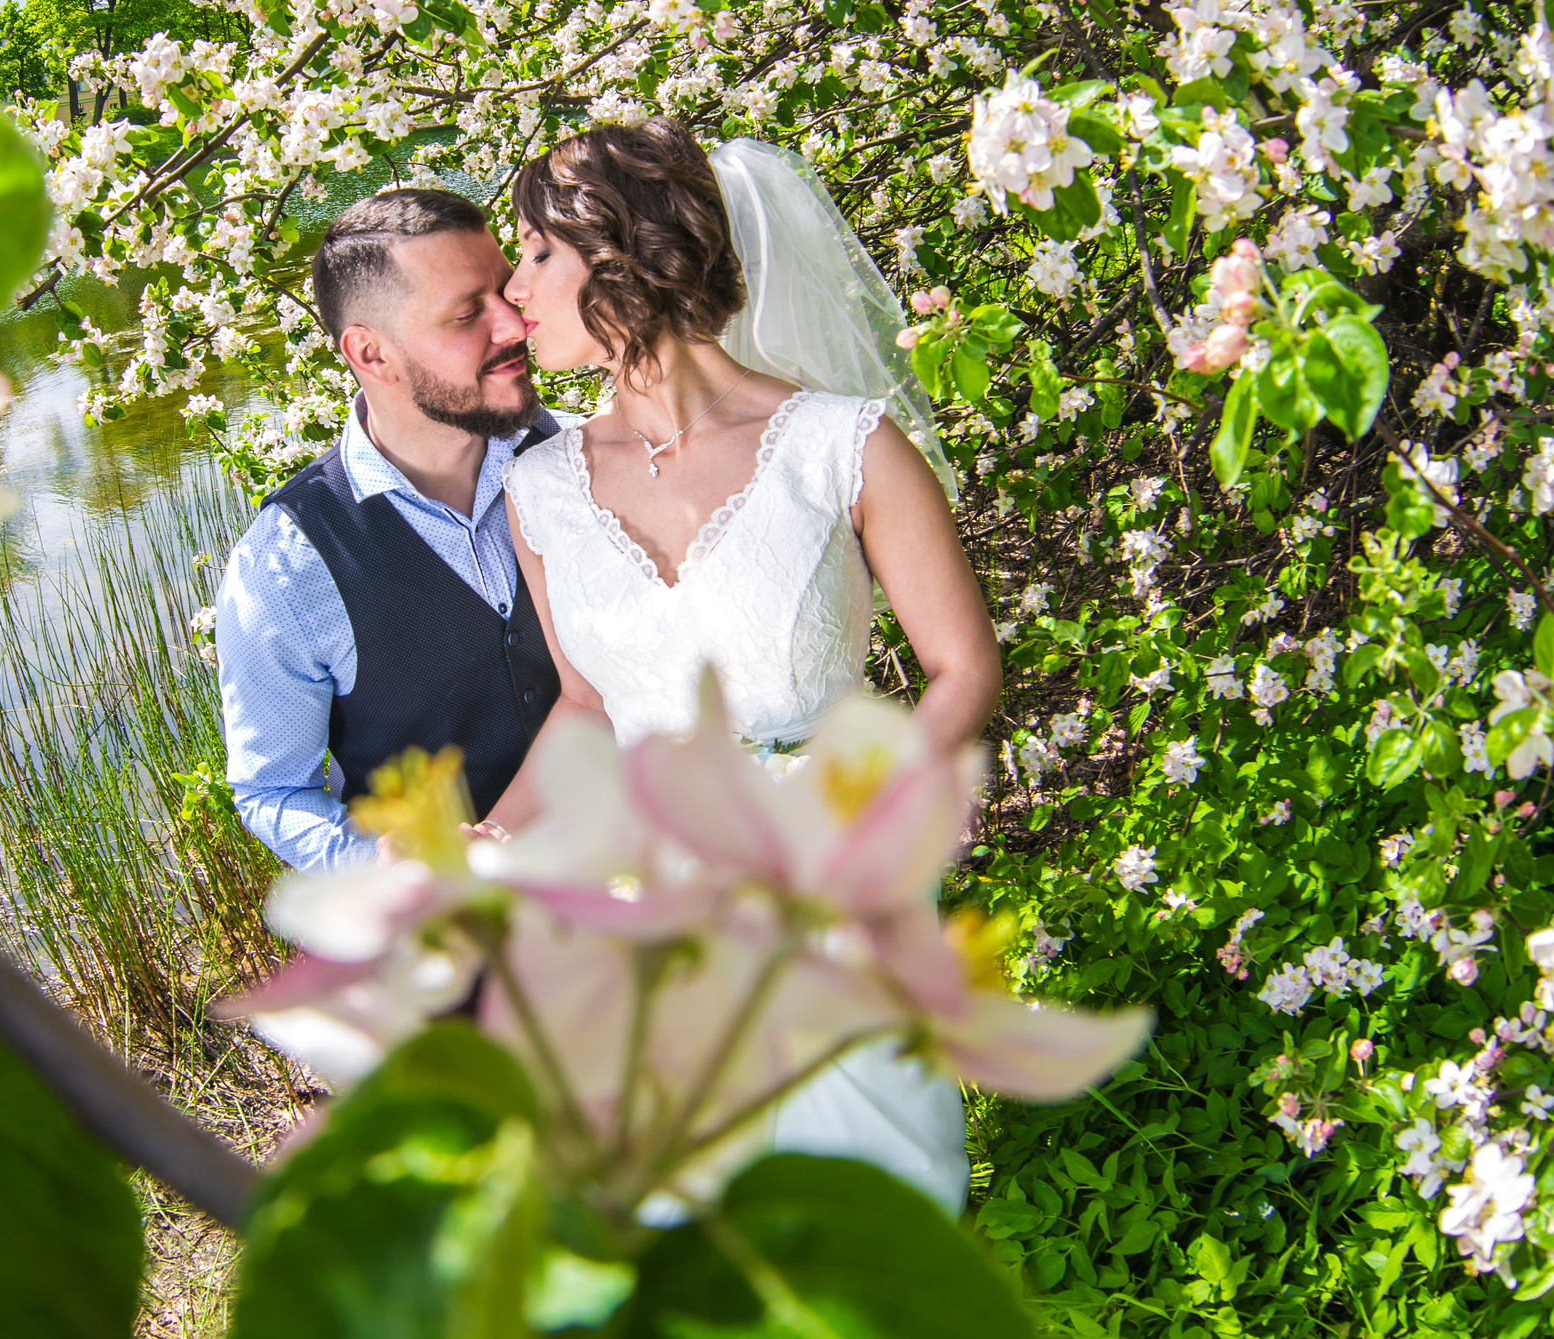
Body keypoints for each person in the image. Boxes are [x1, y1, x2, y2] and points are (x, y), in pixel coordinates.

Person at [494, 119, 1000, 1214]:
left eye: (535, 253)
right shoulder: (539, 489)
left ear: (618, 255)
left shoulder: (842, 445)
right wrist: (487, 834)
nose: (511, 287)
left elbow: (960, 670)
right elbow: (585, 704)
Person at [213, 188, 560, 872]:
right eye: (467, 315)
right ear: (372, 355)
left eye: (506, 292)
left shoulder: (576, 458)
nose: (513, 326)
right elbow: (270, 789)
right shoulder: (285, 568)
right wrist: (374, 862)